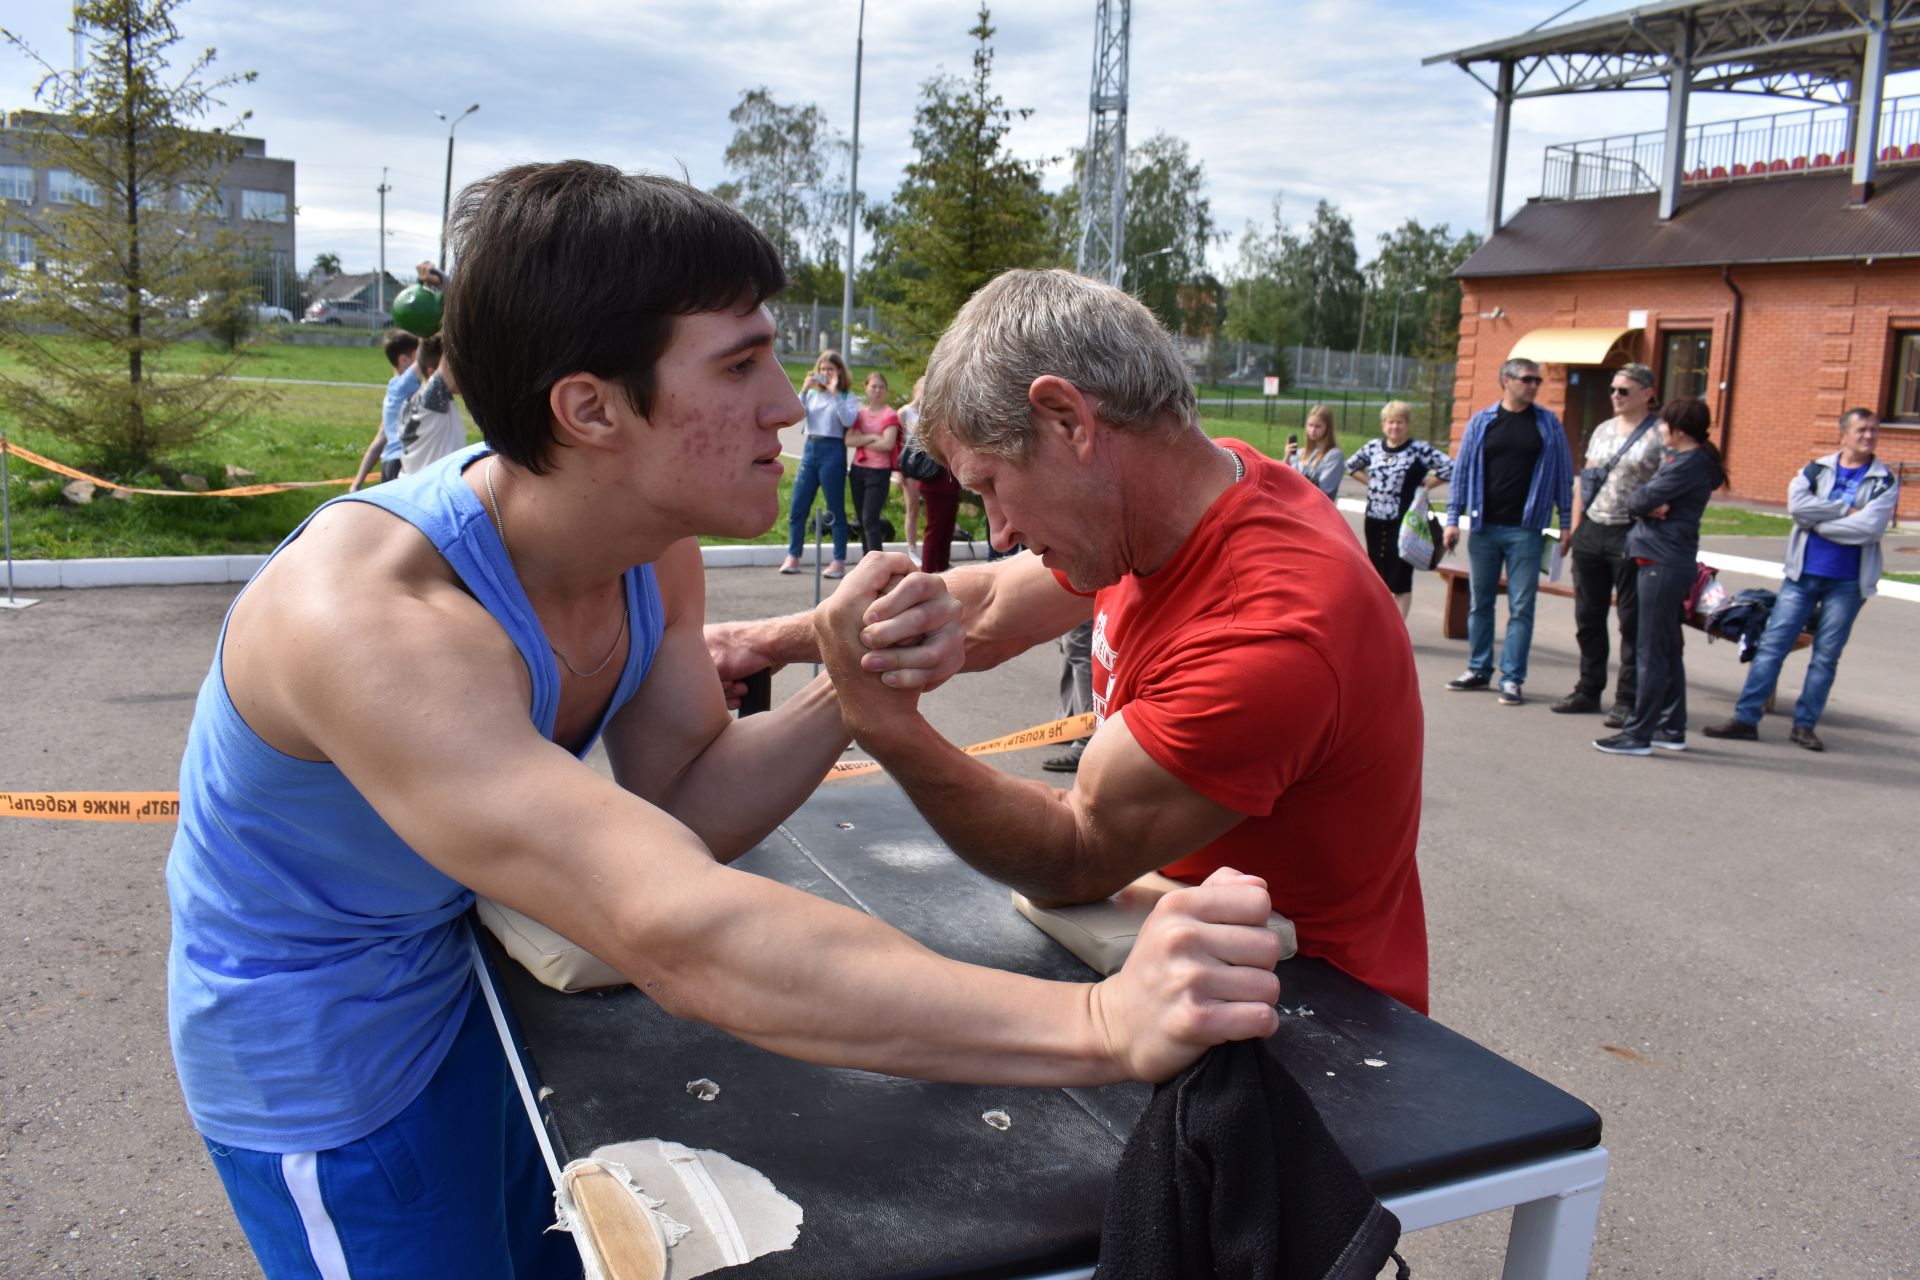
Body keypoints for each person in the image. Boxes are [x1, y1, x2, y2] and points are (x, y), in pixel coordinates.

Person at [166, 163, 1286, 1279]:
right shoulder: (377, 618)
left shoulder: (651, 543)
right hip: (326, 1070)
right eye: (742, 363)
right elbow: (678, 927)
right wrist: (1103, 1024)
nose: (792, 402)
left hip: (467, 998)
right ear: (591, 406)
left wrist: (846, 690)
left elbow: (682, 795)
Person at [710, 268, 1429, 1013]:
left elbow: (1075, 853)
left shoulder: (1270, 633)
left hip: (1314, 1026)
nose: (998, 533)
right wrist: (753, 641)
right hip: (1190, 962)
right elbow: (985, 604)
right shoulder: (1167, 503)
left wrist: (885, 727)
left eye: (990, 485)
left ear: (1067, 420)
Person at [1705, 409, 1899, 752]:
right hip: (1803, 575)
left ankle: (1805, 726)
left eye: (1874, 430)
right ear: (1844, 434)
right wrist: (1842, 511)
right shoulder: (1815, 469)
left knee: (1826, 656)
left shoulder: (1884, 480)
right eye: (1862, 429)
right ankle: (1746, 719)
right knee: (1771, 647)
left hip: (1848, 584)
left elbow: (1870, 528)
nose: (1869, 436)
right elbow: (1797, 508)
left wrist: (1819, 522)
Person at [1592, 398, 1726, 756]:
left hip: (1662, 561)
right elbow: (1645, 500)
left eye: (1665, 424)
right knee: (1665, 647)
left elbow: (1637, 500)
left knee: (1650, 649)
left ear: (1679, 430)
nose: (1660, 429)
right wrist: (1650, 503)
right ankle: (1671, 726)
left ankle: (1639, 734)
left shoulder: (1690, 463)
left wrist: (1648, 503)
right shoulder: (1683, 460)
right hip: (1661, 558)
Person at [1443, 357, 1575, 706]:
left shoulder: (1548, 423)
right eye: (1527, 379)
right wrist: (1452, 519)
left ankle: (1512, 678)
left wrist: (1565, 522)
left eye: (1537, 381)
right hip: (1485, 526)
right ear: (1506, 380)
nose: (1533, 386)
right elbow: (1461, 473)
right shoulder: (1482, 422)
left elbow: (1563, 472)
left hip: (1527, 529)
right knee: (1480, 602)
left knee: (1521, 606)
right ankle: (1478, 668)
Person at [1553, 363, 1664, 725]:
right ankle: (1588, 689)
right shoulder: (1602, 430)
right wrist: (1574, 527)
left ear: (1647, 394)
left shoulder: (1660, 434)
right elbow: (1584, 480)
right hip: (1593, 532)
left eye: (1624, 390)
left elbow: (1671, 485)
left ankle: (1627, 698)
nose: (1615, 396)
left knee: (1631, 621)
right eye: (1613, 390)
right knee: (1588, 616)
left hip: (1631, 533)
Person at [1346, 400, 1453, 620]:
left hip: (1404, 521)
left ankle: (1398, 626)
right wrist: (1370, 483)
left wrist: (1426, 485)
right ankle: (1378, 623)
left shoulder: (1418, 450)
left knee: (1400, 575)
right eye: (1390, 422)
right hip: (1375, 518)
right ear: (1384, 424)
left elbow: (1450, 466)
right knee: (1376, 572)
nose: (1395, 427)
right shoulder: (1373, 447)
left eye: (1400, 423)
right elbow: (1351, 466)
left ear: (1407, 425)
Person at [778, 350, 857, 578]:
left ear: (839, 372)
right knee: (798, 506)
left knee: (835, 508)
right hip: (810, 449)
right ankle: (793, 555)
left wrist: (834, 393)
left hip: (833, 451)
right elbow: (797, 415)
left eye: (830, 369)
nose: (825, 373)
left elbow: (849, 420)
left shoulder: (845, 396)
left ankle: (838, 560)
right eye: (822, 369)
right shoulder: (812, 395)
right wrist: (803, 388)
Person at [902, 374, 964, 573]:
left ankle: (942, 569)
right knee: (936, 528)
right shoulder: (928, 414)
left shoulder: (945, 411)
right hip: (935, 477)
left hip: (950, 477)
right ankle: (929, 572)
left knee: (946, 528)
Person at [348, 330, 421, 492]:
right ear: (404, 360)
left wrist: (357, 482)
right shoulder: (403, 386)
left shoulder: (393, 392)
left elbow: (379, 441)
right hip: (402, 464)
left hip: (388, 466)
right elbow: (425, 359)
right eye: (418, 354)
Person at [845, 371, 901, 556]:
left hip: (878, 472)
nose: (877, 390)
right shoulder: (860, 414)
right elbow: (848, 441)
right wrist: (871, 436)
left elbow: (888, 444)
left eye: (881, 387)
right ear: (866, 388)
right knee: (861, 520)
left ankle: (877, 564)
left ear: (886, 390)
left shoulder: (889, 414)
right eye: (874, 386)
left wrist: (862, 439)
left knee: (870, 519)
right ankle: (865, 563)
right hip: (858, 470)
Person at [397, 335, 467, 476]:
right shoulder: (429, 403)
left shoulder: (420, 402)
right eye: (457, 368)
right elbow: (451, 342)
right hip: (425, 493)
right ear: (432, 373)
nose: (464, 373)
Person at [1284, 403, 1346, 500]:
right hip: (1296, 506)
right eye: (1310, 425)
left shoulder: (1334, 455)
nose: (1312, 430)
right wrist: (1287, 457)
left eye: (1318, 427)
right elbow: (1283, 478)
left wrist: (1297, 481)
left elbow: (1324, 488)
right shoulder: (1300, 453)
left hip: (1318, 508)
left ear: (1327, 428)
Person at [898, 377, 925, 558]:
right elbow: (899, 444)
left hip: (927, 464)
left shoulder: (930, 414)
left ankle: (930, 549)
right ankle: (912, 549)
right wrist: (899, 471)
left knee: (931, 509)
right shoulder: (905, 412)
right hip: (910, 463)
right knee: (912, 507)